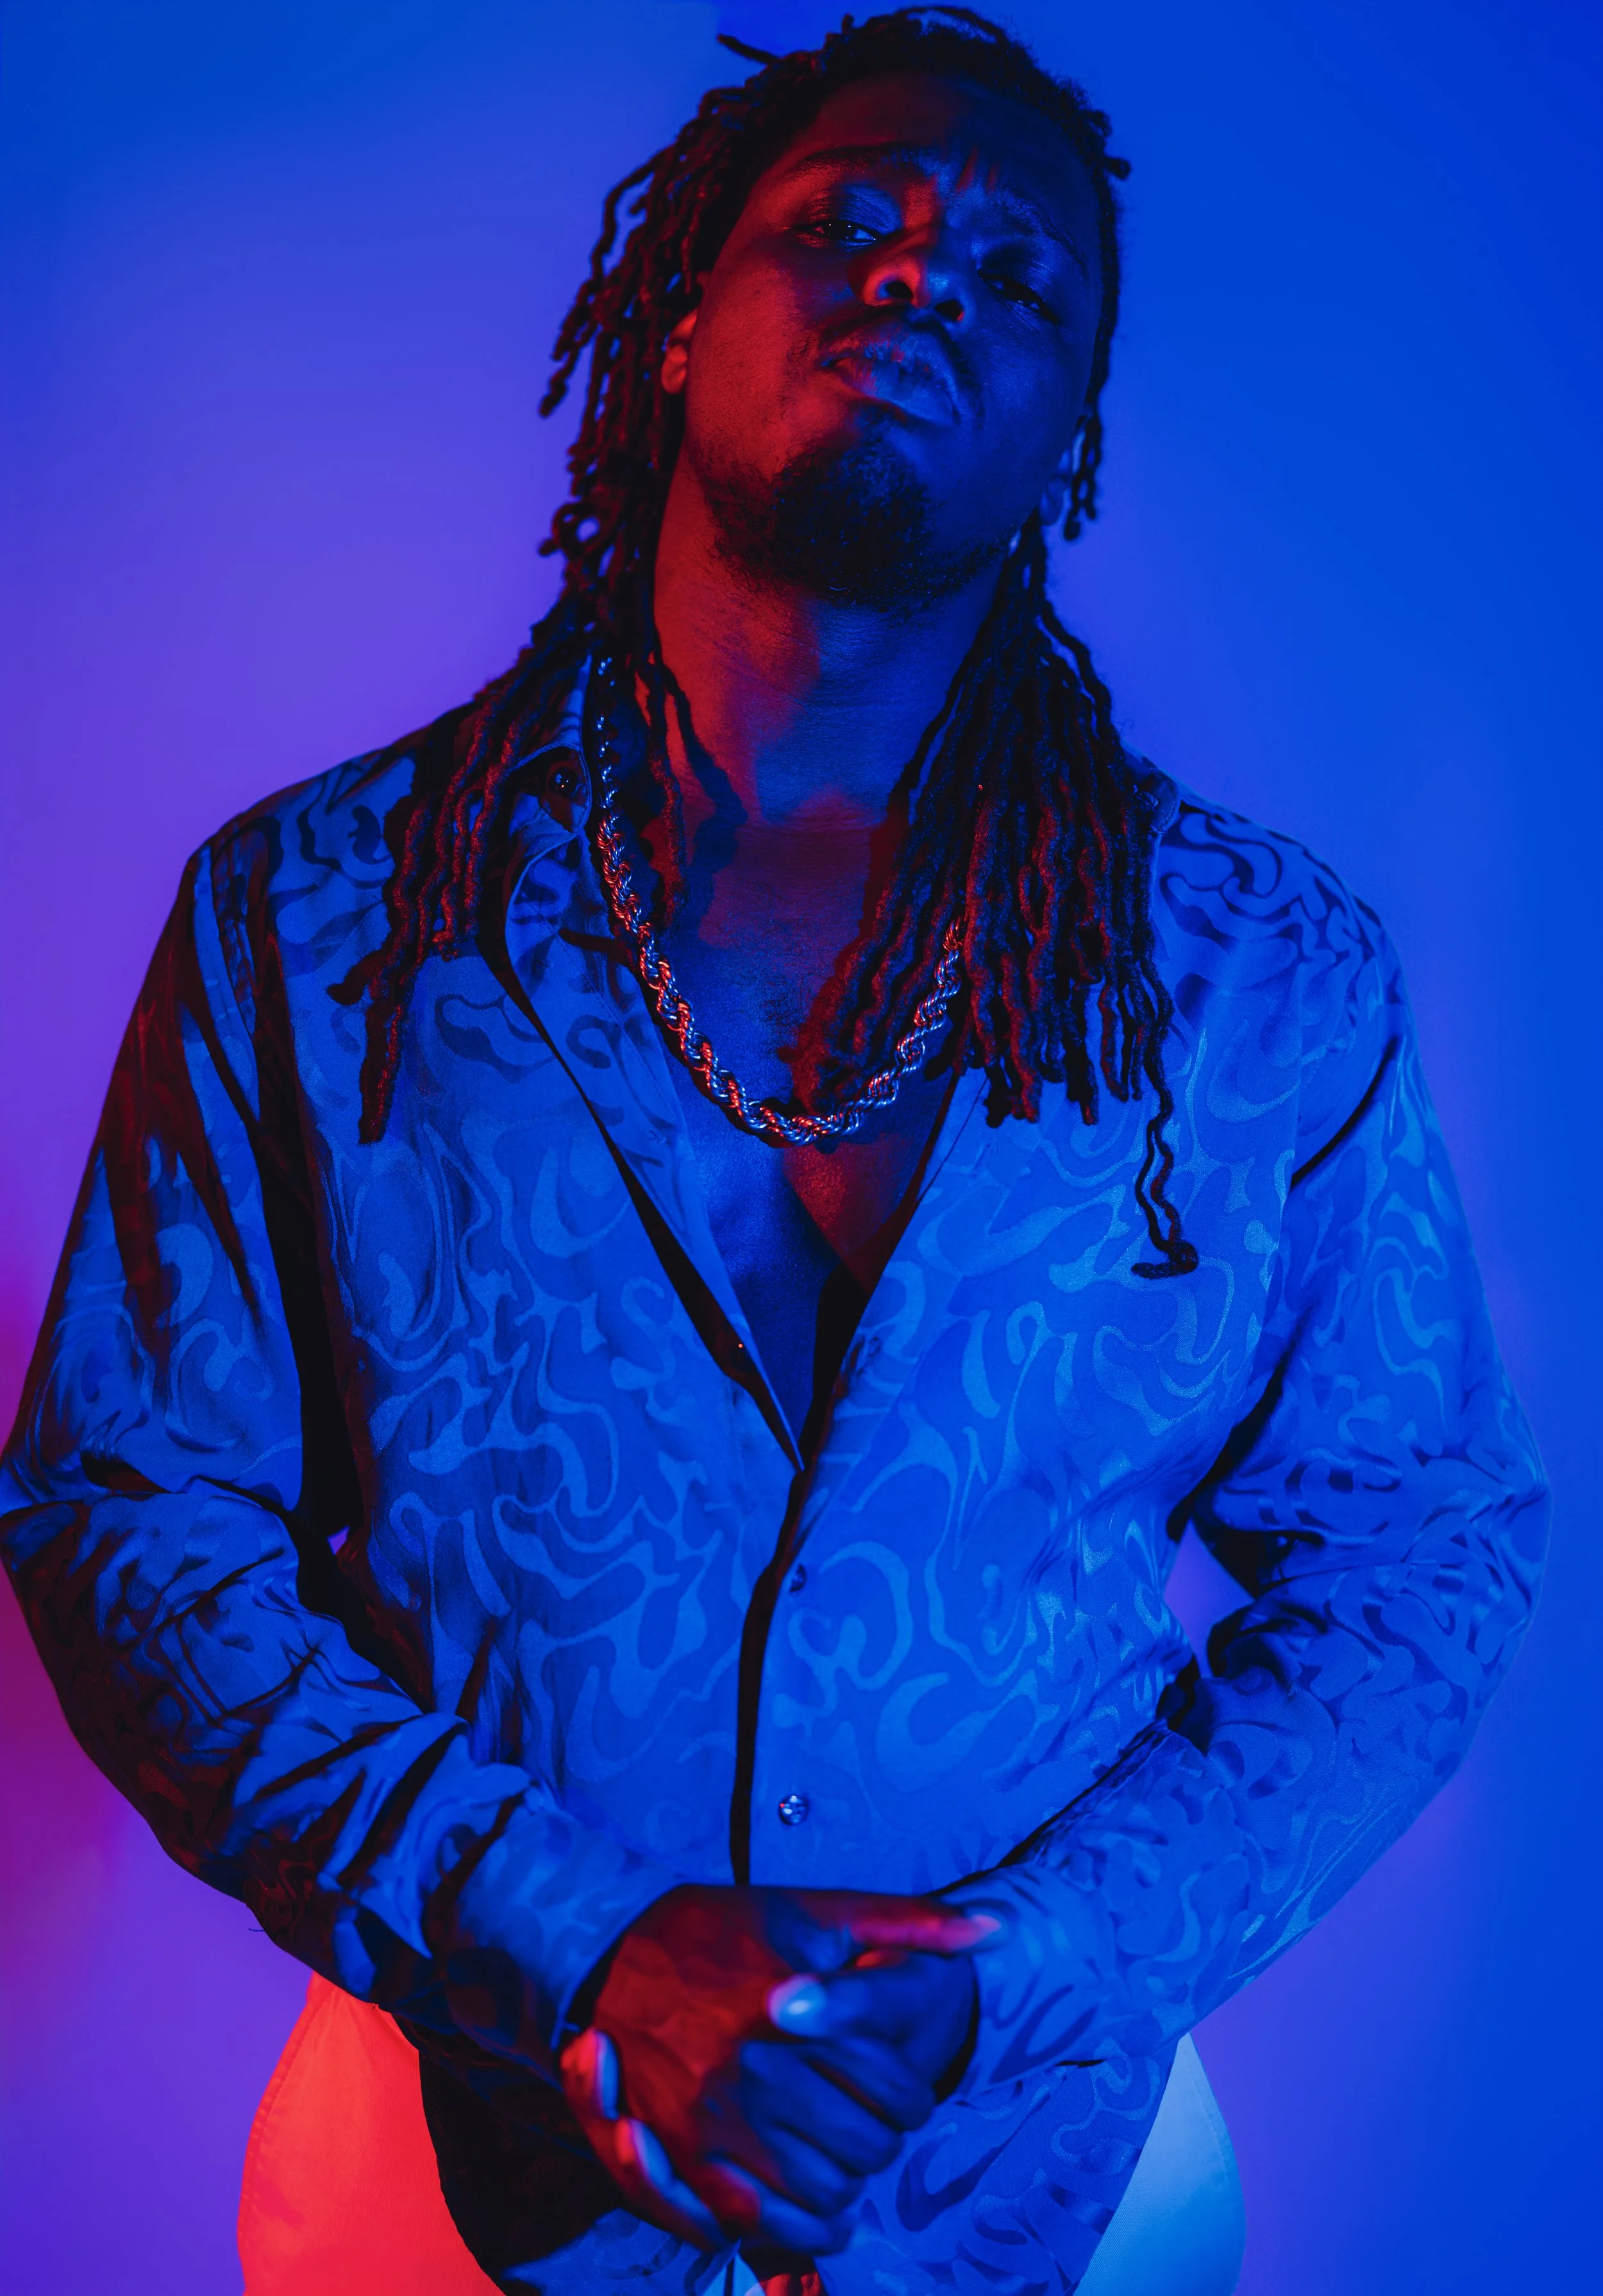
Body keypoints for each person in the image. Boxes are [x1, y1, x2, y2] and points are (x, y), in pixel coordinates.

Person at [0, 11, 1548, 2295]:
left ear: (1065, 441)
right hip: (457, 2164)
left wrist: (1024, 1966)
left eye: (1022, 280)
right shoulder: (309, 919)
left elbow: (1419, 1553)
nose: (927, 277)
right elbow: (125, 1504)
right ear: (670, 323)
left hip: (1053, 2171)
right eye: (848, 219)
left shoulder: (1258, 976)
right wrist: (580, 1947)